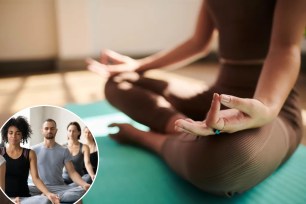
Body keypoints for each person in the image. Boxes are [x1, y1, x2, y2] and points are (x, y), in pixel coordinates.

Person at [86, 0, 306, 197]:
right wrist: (138, 65)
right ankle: (178, 127)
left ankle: (149, 139)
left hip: (275, 105)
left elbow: (285, 47)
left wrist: (266, 107)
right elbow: (198, 42)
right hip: (220, 95)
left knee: (225, 164)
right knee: (119, 82)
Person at [0, 116, 59, 204]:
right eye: (11, 133)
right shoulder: (0, 152)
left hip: (25, 197)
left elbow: (36, 178)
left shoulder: (29, 153)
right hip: (6, 198)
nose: (14, 136)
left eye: (18, 133)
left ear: (22, 135)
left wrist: (48, 193)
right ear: (6, 134)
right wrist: (8, 200)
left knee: (46, 201)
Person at [30, 119, 90, 203]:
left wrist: (84, 184)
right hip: (38, 187)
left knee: (83, 191)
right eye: (46, 128)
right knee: (20, 189)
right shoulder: (33, 150)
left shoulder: (64, 150)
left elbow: (72, 173)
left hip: (59, 187)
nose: (49, 131)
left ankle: (49, 197)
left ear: (56, 130)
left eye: (52, 128)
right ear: (42, 130)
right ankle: (49, 195)